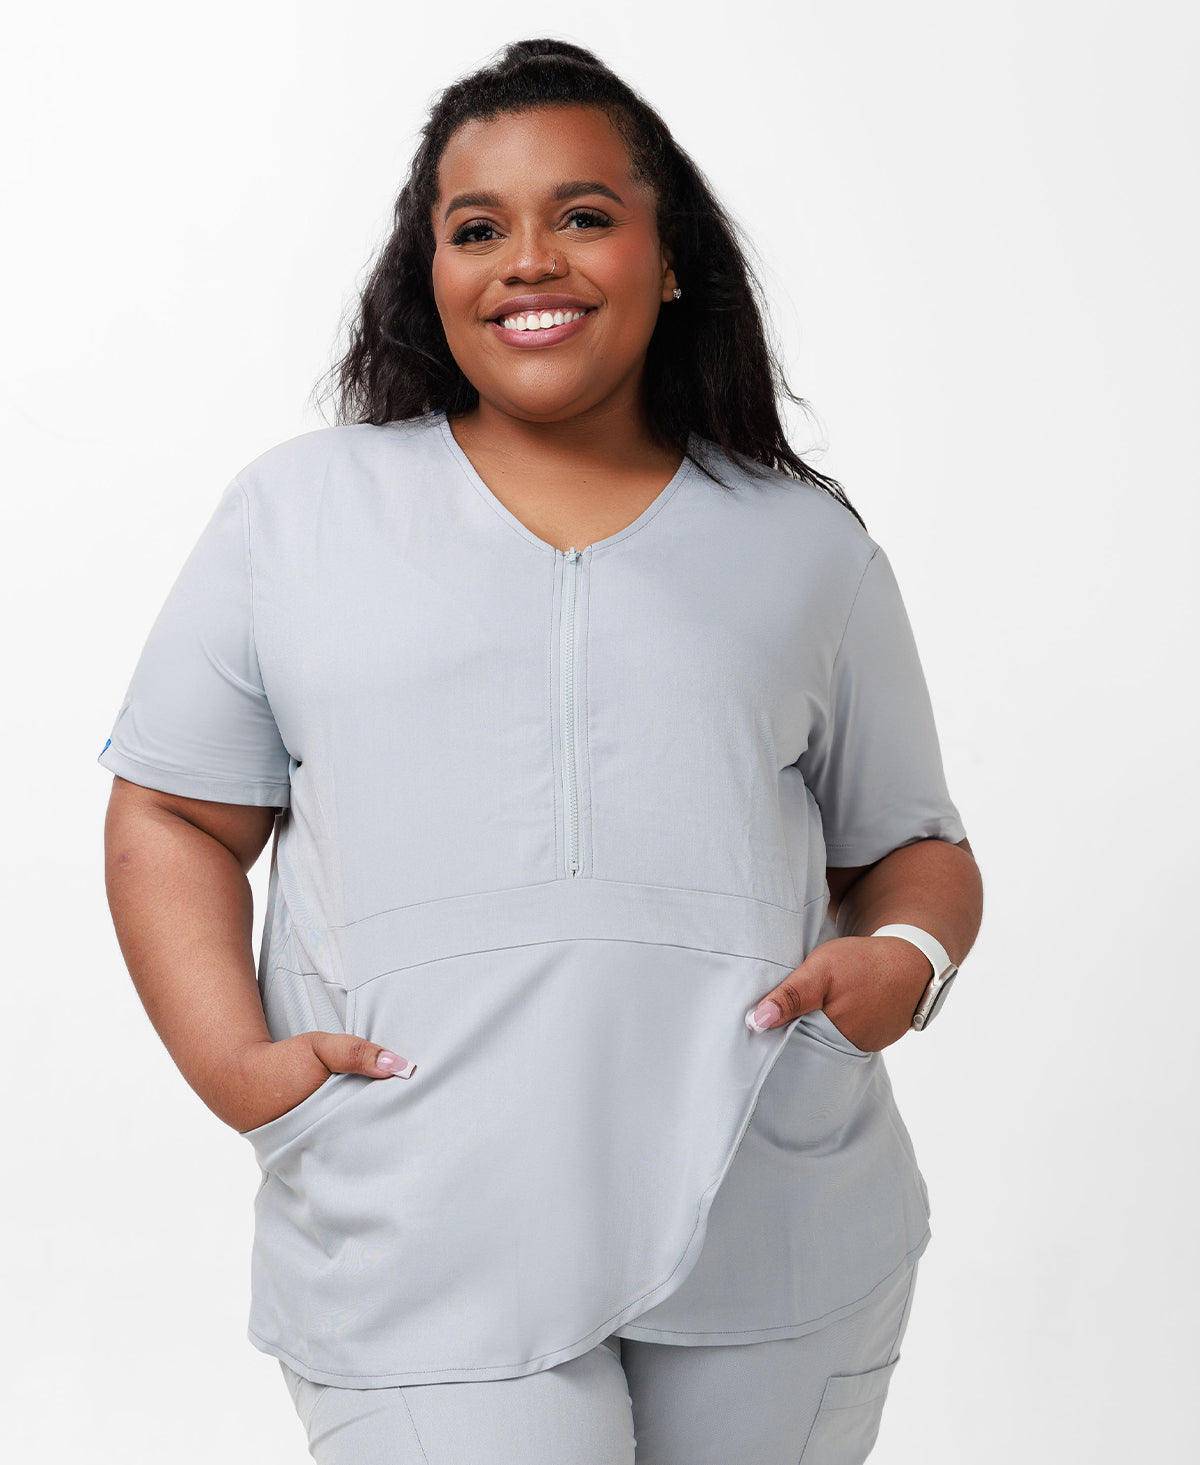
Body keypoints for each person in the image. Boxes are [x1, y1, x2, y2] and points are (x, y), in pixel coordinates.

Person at [97, 37, 984, 1465]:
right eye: (477, 228)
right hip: (415, 1212)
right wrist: (236, 1068)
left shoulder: (804, 545)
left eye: (582, 214)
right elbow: (175, 814)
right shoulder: (296, 517)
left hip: (773, 1214)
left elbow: (911, 845)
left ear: (669, 257)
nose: (529, 261)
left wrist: (908, 964)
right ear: (429, 271)